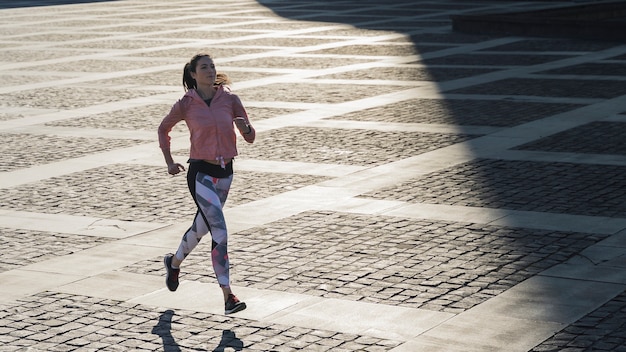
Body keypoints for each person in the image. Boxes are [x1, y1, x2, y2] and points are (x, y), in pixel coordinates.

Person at [157, 53, 255, 315]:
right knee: (219, 231)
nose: (211, 70)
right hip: (200, 173)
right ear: (193, 74)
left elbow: (250, 137)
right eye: (204, 67)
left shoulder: (230, 99)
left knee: (201, 228)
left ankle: (174, 263)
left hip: (225, 174)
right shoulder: (186, 104)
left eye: (212, 66)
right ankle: (228, 296)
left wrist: (245, 129)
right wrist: (169, 161)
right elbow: (163, 128)